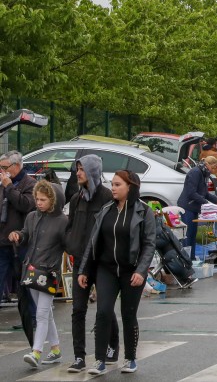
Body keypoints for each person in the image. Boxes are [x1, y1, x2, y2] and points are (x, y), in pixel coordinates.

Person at [78, 170, 156, 375]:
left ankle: (130, 358)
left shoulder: (144, 211)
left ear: (130, 187)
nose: (113, 188)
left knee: (128, 314)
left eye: (118, 184)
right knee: (103, 312)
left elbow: (149, 245)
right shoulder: (105, 210)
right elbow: (93, 242)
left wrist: (141, 270)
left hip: (132, 271)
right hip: (106, 269)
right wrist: (84, 269)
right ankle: (99, 360)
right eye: (112, 184)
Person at [64, 155, 119, 373]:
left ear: (93, 171)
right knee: (78, 309)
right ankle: (79, 356)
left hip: (102, 262)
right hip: (80, 260)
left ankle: (113, 344)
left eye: (82, 169)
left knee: (105, 310)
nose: (78, 173)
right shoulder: (77, 198)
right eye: (77, 169)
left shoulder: (107, 197)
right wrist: (71, 243)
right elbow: (70, 225)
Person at [8, 181, 67, 368]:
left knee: (41, 314)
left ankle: (36, 352)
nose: (39, 202)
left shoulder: (63, 221)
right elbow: (26, 234)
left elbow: (69, 245)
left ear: (53, 200)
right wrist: (18, 235)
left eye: (43, 199)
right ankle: (56, 349)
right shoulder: (32, 216)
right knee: (46, 313)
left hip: (50, 273)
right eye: (37, 199)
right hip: (31, 271)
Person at [0, 151, 36, 309]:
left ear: (16, 166)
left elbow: (25, 204)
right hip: (2, 240)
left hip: (21, 243)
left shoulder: (30, 184)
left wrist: (8, 186)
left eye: (4, 167)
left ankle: (33, 319)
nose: (1, 171)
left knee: (25, 283)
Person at [176, 156, 217, 260]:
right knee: (188, 234)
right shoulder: (195, 172)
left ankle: (191, 259)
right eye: (213, 167)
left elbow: (204, 193)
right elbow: (191, 193)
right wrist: (206, 203)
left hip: (194, 207)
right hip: (187, 206)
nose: (214, 170)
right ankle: (185, 259)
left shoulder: (204, 173)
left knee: (193, 234)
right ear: (207, 165)